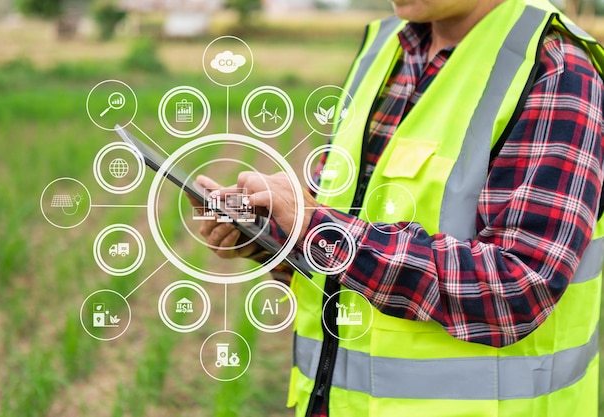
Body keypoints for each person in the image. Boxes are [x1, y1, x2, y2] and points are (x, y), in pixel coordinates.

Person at [190, 0, 604, 415]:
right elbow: (344, 221)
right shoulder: (386, 47)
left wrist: (315, 227)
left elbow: (517, 289)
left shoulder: (556, 70)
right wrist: (269, 235)